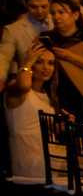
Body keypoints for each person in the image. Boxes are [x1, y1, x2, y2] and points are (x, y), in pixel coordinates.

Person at [40, 0, 83, 123]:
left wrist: (70, 57)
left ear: (75, 15)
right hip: (52, 95)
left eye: (61, 12)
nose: (56, 17)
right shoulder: (45, 38)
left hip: (82, 98)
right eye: (53, 13)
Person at [4, 42, 57, 177]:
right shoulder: (14, 87)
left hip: (51, 156)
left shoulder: (48, 94)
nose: (46, 68)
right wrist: (27, 64)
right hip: (28, 161)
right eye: (40, 62)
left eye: (51, 63)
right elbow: (24, 86)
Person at [0, 0, 53, 77]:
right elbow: (3, 58)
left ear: (50, 2)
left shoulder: (57, 22)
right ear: (25, 3)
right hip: (29, 81)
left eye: (44, 6)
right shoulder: (13, 30)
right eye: (34, 7)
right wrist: (1, 78)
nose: (39, 11)